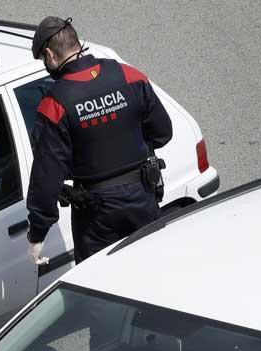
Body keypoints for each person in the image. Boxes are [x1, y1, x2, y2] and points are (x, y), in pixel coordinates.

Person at [24, 16, 173, 265]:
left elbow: (46, 176)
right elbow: (162, 132)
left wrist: (37, 233)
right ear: (77, 43)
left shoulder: (55, 104)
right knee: (154, 271)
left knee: (100, 285)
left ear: (49, 55)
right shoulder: (128, 75)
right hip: (142, 197)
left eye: (43, 60)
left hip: (96, 214)